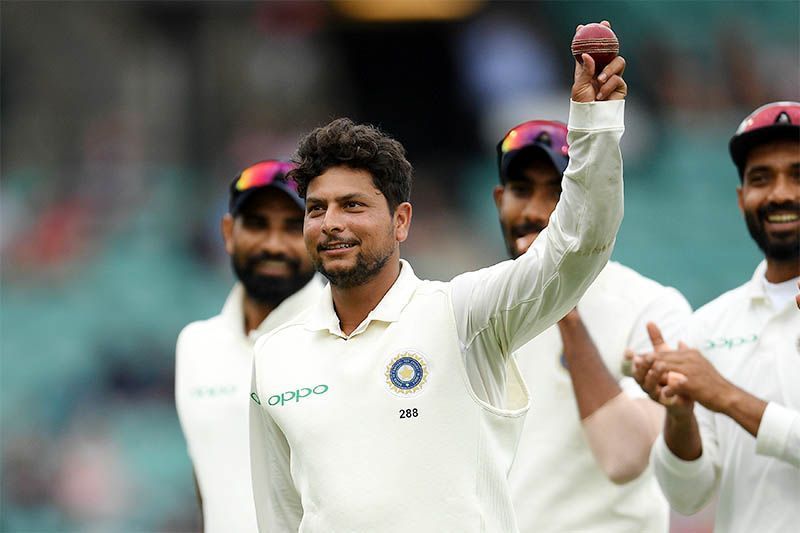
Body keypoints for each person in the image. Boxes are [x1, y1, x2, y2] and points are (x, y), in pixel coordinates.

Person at [249, 23, 628, 531]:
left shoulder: (461, 314)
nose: (331, 222)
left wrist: (595, 124)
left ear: (401, 220)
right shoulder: (276, 356)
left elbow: (577, 246)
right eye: (317, 209)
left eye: (353, 205)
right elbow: (280, 517)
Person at [494, 119, 692, 532]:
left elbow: (623, 458)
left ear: (587, 200)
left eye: (558, 193)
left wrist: (560, 297)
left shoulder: (653, 308)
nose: (533, 211)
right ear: (499, 200)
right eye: (521, 190)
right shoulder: (476, 308)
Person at [633, 101, 800, 533]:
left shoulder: (711, 363)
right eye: (761, 178)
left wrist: (725, 395)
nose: (780, 193)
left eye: (798, 175)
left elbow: (723, 396)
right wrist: (680, 415)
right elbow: (688, 496)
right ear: (743, 197)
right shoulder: (710, 325)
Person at [175, 160, 323, 532]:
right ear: (228, 232)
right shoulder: (196, 345)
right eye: (257, 224)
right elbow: (209, 479)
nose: (273, 244)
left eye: (293, 226)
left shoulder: (345, 333)